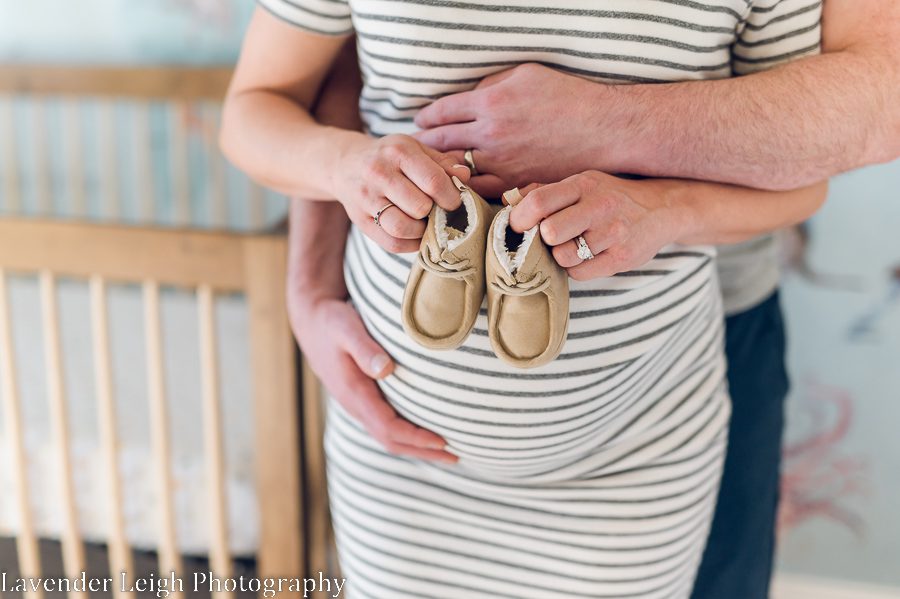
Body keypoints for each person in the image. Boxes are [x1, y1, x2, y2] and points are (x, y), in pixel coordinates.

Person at [221, 2, 831, 597]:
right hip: (401, 468)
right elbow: (251, 113)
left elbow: (801, 179)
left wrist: (666, 209)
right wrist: (345, 166)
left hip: (634, 458)